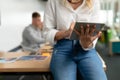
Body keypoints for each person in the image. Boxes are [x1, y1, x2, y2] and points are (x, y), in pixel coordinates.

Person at [43, 0, 107, 80]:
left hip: (86, 50)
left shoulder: (94, 2)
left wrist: (87, 44)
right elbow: (47, 32)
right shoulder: (53, 2)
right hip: (63, 48)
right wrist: (66, 32)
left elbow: (94, 31)